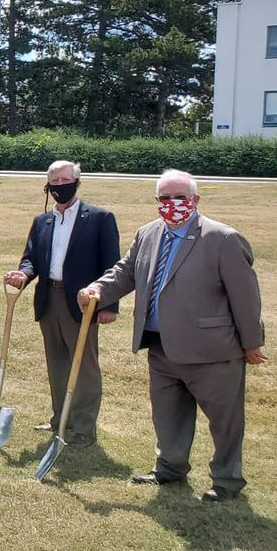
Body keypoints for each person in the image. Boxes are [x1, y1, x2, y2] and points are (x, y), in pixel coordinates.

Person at [80, 169, 265, 502]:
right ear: (157, 201)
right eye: (165, 198)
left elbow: (246, 297)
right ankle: (170, 468)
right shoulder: (148, 233)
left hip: (212, 352)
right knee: (167, 415)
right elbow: (126, 272)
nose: (173, 204)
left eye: (180, 197)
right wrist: (98, 288)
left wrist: (252, 343)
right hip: (160, 347)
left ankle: (226, 480)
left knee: (225, 422)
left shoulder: (222, 239)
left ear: (195, 200)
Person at [5, 160, 120, 447]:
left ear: (77, 182)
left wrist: (109, 306)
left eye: (64, 180)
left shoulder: (99, 218)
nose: (59, 186)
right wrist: (24, 273)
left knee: (84, 366)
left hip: (83, 304)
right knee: (57, 362)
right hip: (49, 299)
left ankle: (83, 428)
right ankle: (61, 418)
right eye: (53, 182)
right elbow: (31, 257)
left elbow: (112, 266)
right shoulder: (42, 221)